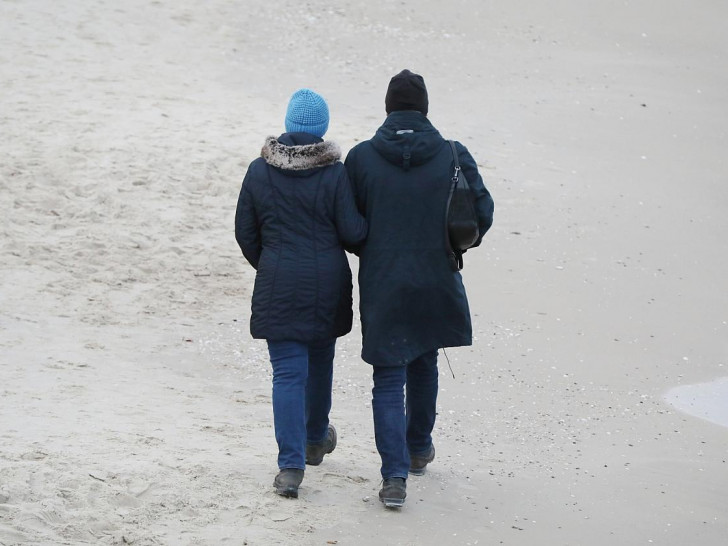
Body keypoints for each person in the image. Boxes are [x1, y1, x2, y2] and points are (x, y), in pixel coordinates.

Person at [344, 69, 494, 508]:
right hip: (435, 276)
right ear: (425, 108)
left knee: (387, 376)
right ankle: (418, 448)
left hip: (382, 280)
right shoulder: (452, 153)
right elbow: (480, 214)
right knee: (424, 361)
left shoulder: (361, 158)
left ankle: (393, 478)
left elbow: (349, 224)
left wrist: (370, 251)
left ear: (388, 107)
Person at [235, 88, 367, 499]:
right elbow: (353, 234)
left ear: (289, 125)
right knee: (320, 359)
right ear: (321, 130)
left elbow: (245, 232)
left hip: (278, 279)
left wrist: (272, 262)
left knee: (288, 373)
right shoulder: (336, 173)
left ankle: (290, 467)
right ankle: (314, 439)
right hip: (326, 281)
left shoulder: (260, 170)